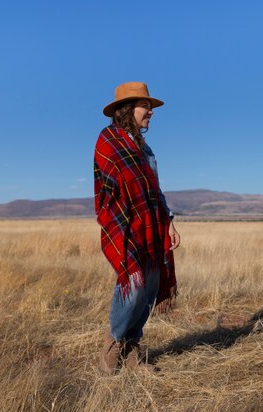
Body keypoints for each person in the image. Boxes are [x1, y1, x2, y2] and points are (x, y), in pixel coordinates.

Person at [94, 82, 180, 374]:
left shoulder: (146, 149)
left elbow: (154, 189)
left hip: (152, 223)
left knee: (150, 286)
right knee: (133, 286)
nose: (151, 113)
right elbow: (108, 186)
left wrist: (168, 222)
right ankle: (113, 343)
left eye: (151, 107)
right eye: (146, 106)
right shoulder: (108, 140)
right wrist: (124, 210)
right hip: (127, 224)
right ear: (128, 109)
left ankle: (132, 351)